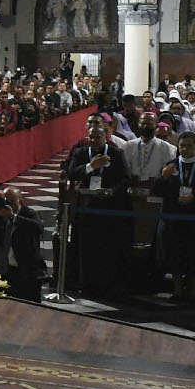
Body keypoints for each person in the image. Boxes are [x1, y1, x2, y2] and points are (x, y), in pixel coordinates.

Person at [153, 130, 195, 302]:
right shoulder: (171, 165)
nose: (184, 149)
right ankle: (176, 291)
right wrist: (163, 177)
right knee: (175, 256)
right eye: (181, 146)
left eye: (189, 146)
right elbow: (156, 191)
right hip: (174, 221)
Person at [66, 124, 132, 296]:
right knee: (85, 247)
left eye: (98, 137)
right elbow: (72, 173)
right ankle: (85, 282)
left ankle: (107, 284)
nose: (94, 140)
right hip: (85, 207)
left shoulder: (116, 153)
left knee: (106, 247)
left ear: (106, 138)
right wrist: (91, 166)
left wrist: (111, 192)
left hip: (109, 208)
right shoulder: (81, 153)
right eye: (91, 137)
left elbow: (125, 179)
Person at [0, 188, 45, 301]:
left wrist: (13, 217)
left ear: (20, 200)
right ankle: (1, 293)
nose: (9, 205)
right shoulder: (0, 215)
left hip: (22, 266)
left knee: (26, 301)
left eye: (12, 201)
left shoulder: (29, 213)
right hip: (0, 263)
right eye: (6, 201)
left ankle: (11, 294)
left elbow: (39, 228)